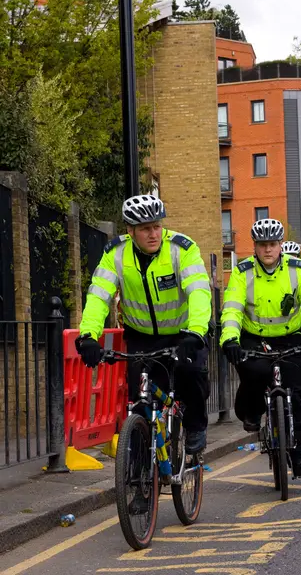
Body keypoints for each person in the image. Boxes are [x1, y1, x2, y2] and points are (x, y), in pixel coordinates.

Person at [75, 194, 212, 455]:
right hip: (141, 336)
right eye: (145, 229)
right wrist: (88, 336)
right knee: (139, 400)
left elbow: (199, 292)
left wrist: (196, 331)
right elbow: (98, 296)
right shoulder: (115, 254)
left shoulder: (181, 249)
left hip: (185, 334)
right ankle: (138, 474)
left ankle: (195, 426)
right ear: (130, 231)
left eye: (157, 226)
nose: (153, 234)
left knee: (190, 373)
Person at [220, 218, 301, 477]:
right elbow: (233, 308)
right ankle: (253, 412)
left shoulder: (298, 269)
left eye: (272, 244)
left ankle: (299, 458)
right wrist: (230, 338)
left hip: (289, 338)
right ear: (255, 247)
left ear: (280, 245)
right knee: (254, 373)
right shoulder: (241, 271)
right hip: (253, 338)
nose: (267, 249)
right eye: (262, 244)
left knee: (299, 397)